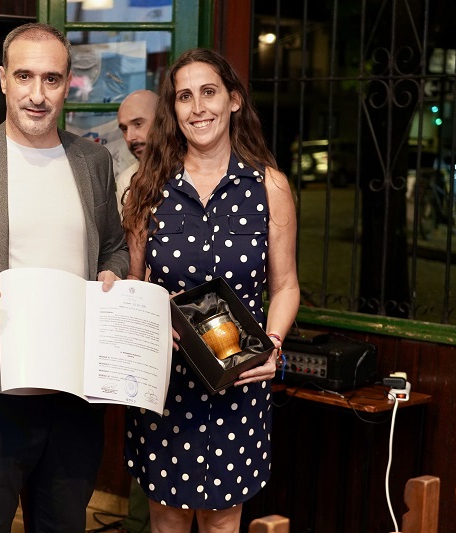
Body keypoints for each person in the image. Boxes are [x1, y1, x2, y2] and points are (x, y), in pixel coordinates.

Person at [0, 22, 129, 533]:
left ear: (68, 84)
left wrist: (111, 274)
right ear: (3, 79)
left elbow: (114, 247)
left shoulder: (93, 161)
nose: (37, 95)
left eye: (51, 79)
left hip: (76, 397)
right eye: (24, 76)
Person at [121, 49, 300, 532]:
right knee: (166, 519)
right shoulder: (147, 188)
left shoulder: (269, 186)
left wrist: (273, 345)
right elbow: (133, 284)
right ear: (173, 109)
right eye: (184, 96)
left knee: (223, 521)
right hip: (166, 384)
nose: (198, 107)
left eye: (209, 92)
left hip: (240, 381)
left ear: (234, 100)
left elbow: (286, 285)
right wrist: (147, 314)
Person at [116, 89, 159, 215]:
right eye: (124, 129)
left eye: (138, 124)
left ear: (162, 120)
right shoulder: (126, 181)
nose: (129, 137)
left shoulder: (193, 169)